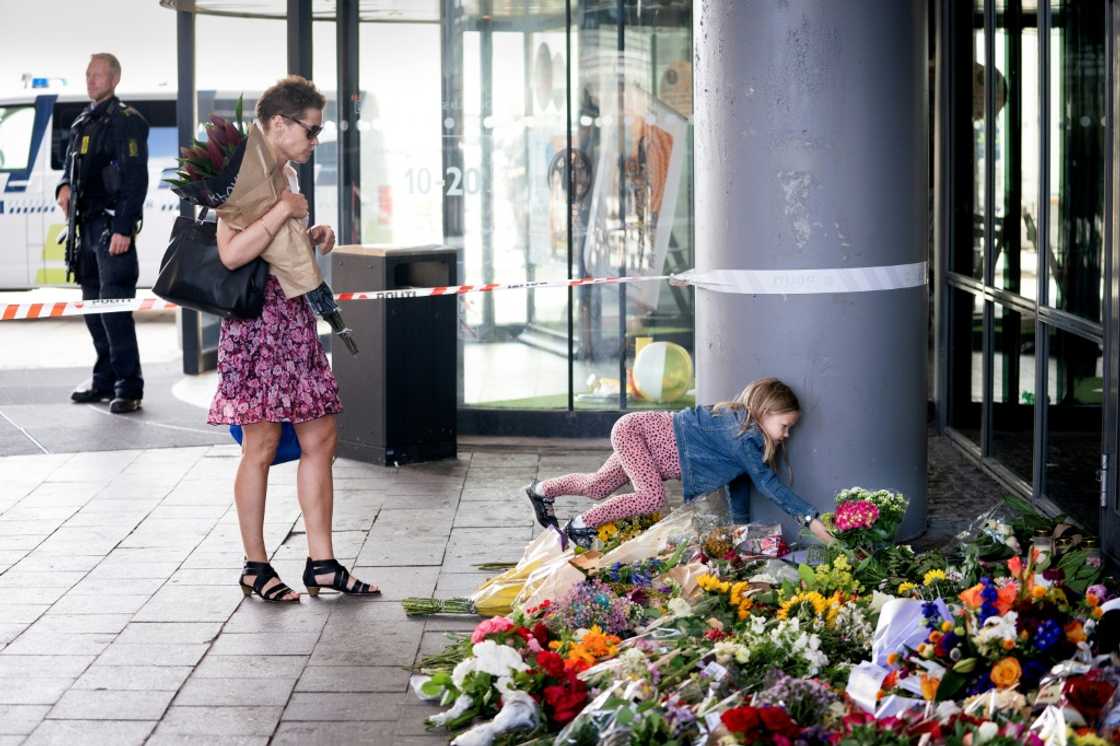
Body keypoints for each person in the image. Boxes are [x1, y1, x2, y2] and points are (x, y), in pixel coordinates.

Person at [207, 76, 378, 603]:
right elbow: (232, 254)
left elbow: (274, 247)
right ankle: (256, 566)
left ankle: (321, 563)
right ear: (279, 123)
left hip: (293, 318)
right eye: (312, 129)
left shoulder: (281, 168)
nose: (316, 139)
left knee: (321, 436)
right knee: (258, 445)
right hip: (257, 326)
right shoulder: (241, 171)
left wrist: (309, 238)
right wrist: (285, 210)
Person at [525, 377, 835, 548]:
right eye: (785, 425)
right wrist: (810, 518)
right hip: (638, 431)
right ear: (764, 413)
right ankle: (582, 524)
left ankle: (541, 490)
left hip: (638, 435)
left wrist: (738, 531)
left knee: (598, 486)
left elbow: (740, 485)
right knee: (652, 498)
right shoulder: (740, 435)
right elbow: (769, 484)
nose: (787, 434)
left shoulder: (743, 440)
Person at [57, 53, 148, 413]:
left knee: (114, 310)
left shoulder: (126, 121)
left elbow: (135, 178)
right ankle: (104, 379)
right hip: (85, 227)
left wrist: (124, 227)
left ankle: (129, 385)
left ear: (114, 79)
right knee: (93, 309)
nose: (90, 80)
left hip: (112, 228)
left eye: (98, 75)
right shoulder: (83, 120)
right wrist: (62, 187)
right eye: (87, 74)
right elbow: (70, 166)